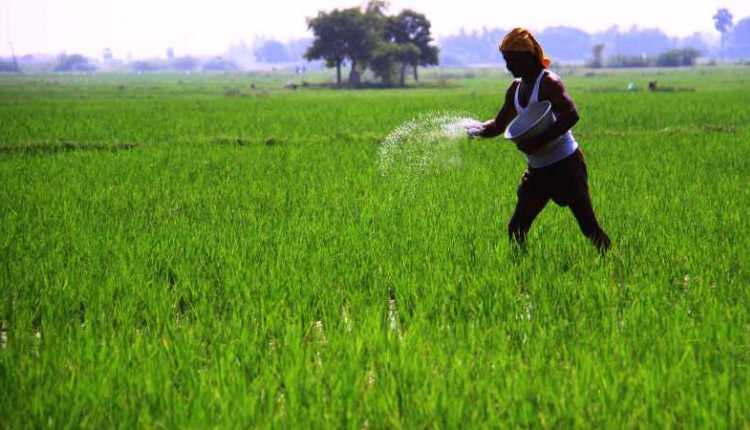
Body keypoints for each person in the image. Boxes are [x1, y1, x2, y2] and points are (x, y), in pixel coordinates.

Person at [468, 28, 611, 253]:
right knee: (516, 228)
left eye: (511, 60)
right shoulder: (515, 88)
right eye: (506, 60)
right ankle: (521, 277)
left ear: (527, 56)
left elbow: (571, 114)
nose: (508, 66)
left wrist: (538, 142)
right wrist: (476, 130)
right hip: (537, 171)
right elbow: (498, 124)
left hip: (566, 167)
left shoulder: (549, 82)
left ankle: (615, 266)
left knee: (588, 227)